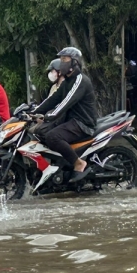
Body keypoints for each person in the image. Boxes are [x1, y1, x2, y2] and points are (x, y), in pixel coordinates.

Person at [36, 47, 99, 182]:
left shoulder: (80, 80)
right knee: (40, 132)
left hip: (82, 123)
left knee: (52, 136)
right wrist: (33, 112)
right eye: (61, 60)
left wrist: (48, 116)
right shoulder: (67, 82)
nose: (61, 63)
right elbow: (53, 99)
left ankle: (78, 163)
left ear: (74, 63)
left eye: (64, 59)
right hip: (70, 121)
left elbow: (66, 102)